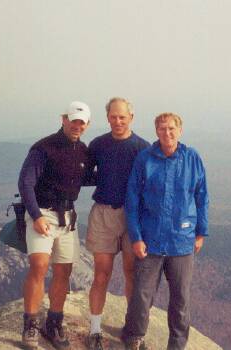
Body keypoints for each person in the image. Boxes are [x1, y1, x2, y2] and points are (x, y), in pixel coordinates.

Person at [120, 112, 209, 350]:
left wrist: (201, 233)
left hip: (182, 241)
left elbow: (202, 197)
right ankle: (134, 336)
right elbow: (132, 200)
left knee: (180, 298)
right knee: (142, 294)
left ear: (180, 131)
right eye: (161, 129)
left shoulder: (192, 158)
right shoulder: (145, 159)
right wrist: (136, 238)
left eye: (171, 128)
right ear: (156, 131)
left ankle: (177, 344)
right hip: (150, 240)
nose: (166, 133)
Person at [18, 101, 91, 350]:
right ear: (64, 119)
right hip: (44, 215)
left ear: (87, 125)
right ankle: (30, 324)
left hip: (68, 219)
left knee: (63, 272)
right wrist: (36, 216)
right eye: (73, 120)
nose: (77, 125)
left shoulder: (83, 151)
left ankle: (54, 322)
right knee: (39, 265)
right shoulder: (44, 148)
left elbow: (90, 176)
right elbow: (25, 183)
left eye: (82, 122)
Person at [85, 97, 150, 349]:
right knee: (101, 273)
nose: (118, 121)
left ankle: (132, 331)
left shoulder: (142, 148)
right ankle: (94, 330)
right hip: (103, 213)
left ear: (131, 117)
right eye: (113, 116)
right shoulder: (98, 144)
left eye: (122, 117)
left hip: (133, 216)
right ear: (107, 117)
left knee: (132, 273)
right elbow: (83, 172)